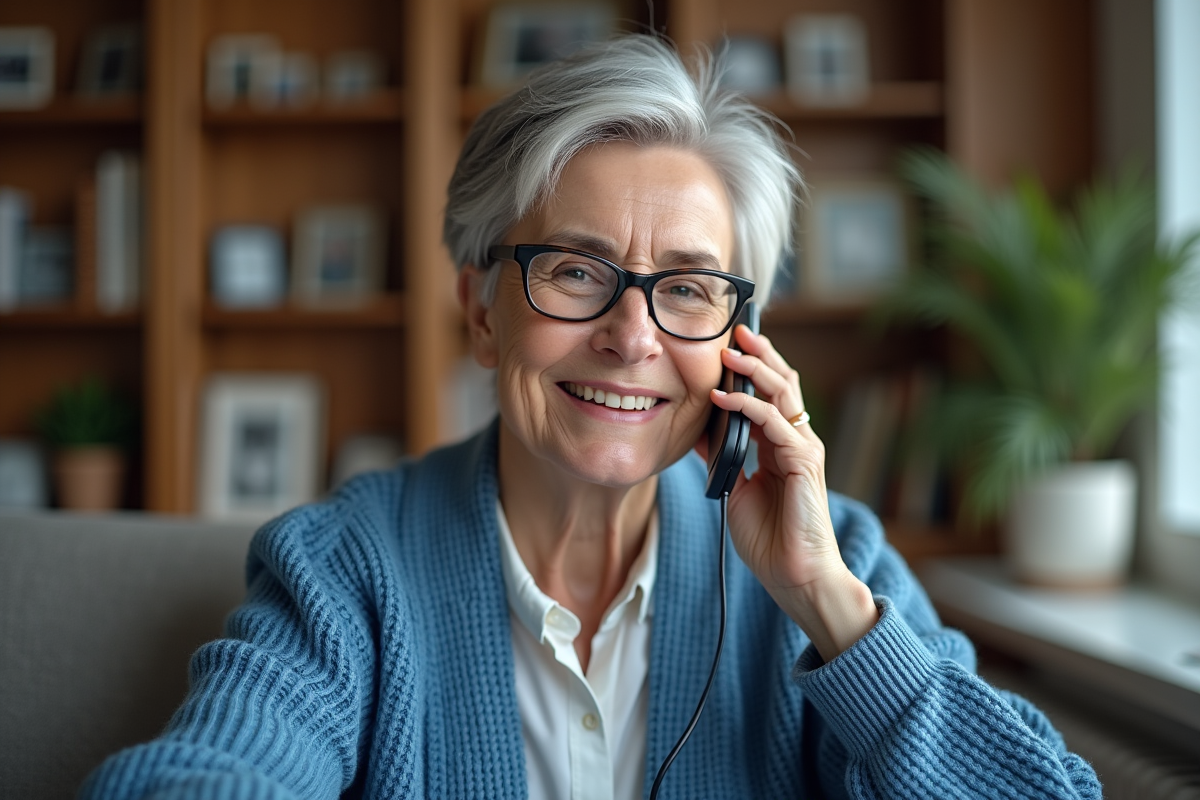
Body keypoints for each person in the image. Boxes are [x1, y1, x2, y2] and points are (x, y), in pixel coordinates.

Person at [81, 35, 1101, 799]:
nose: (631, 335)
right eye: (575, 270)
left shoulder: (840, 569)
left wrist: (826, 605)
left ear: (742, 341)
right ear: (481, 309)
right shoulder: (344, 568)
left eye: (690, 289)